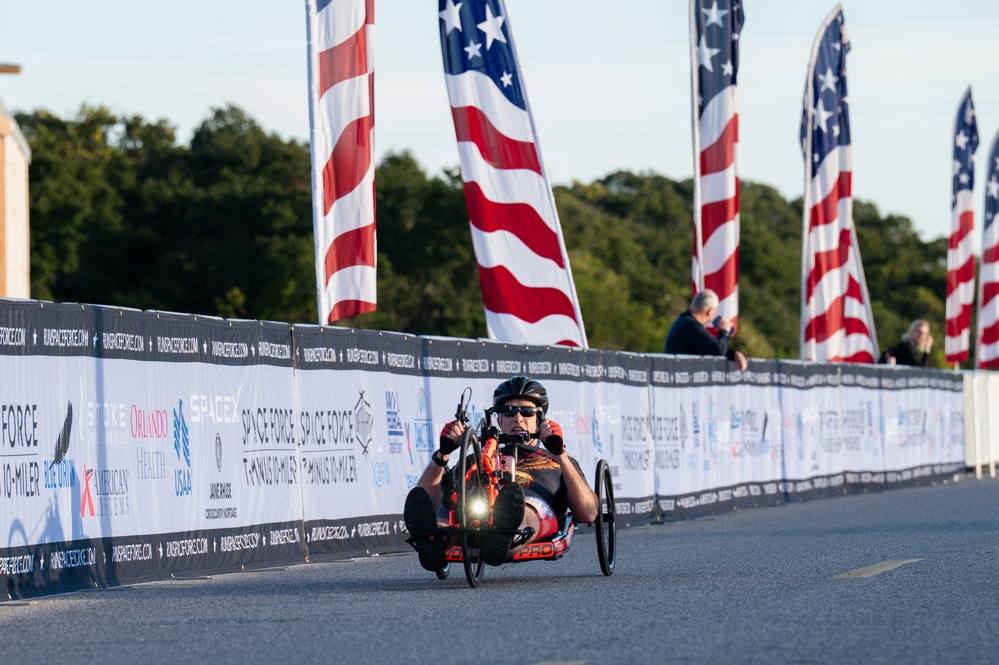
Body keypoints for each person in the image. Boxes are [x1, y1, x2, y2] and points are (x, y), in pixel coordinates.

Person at [403, 375, 599, 571]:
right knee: (452, 506)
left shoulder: (557, 460)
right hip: (474, 508)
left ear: (540, 420)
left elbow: (588, 512)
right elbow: (427, 501)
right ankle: (434, 539)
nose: (518, 418)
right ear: (498, 420)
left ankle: (503, 534)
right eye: (509, 412)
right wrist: (442, 454)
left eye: (527, 412)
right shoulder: (477, 458)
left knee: (525, 508)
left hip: (531, 504)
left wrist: (560, 454)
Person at [664, 289, 748, 371]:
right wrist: (724, 330)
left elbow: (710, 347)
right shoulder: (690, 325)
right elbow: (719, 350)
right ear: (710, 311)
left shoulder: (684, 322)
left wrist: (734, 354)